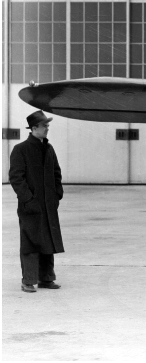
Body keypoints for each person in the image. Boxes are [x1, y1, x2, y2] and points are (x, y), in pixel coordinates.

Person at [9, 110, 65, 293]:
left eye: (47, 125)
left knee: (47, 240)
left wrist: (57, 195)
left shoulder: (49, 149)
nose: (47, 129)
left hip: (48, 205)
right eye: (44, 126)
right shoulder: (20, 149)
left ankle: (46, 279)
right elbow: (16, 178)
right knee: (31, 242)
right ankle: (28, 280)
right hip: (30, 206)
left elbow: (57, 173)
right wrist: (28, 200)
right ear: (34, 128)